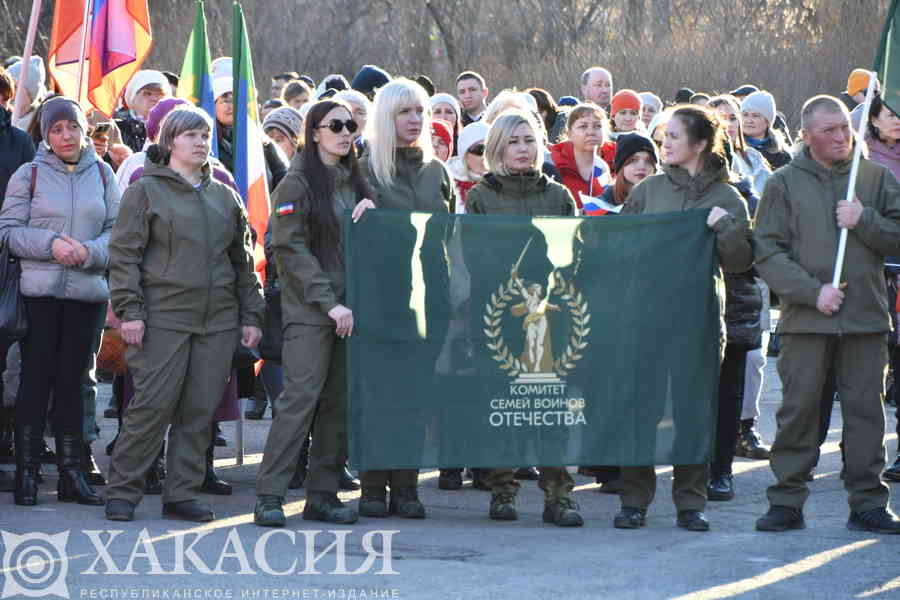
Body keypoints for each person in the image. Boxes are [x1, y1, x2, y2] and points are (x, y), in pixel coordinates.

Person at [104, 106, 264, 522]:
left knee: (199, 410)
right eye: (190, 135)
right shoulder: (145, 190)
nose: (200, 142)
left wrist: (252, 316)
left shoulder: (224, 195)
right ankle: (122, 491)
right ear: (170, 141)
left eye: (205, 136)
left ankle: (181, 493)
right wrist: (130, 312)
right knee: (151, 406)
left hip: (217, 320)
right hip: (162, 317)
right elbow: (124, 256)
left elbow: (243, 262)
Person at [753, 96, 900, 534]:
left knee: (865, 414)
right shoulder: (782, 183)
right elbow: (766, 251)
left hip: (864, 320)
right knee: (798, 412)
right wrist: (811, 292)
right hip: (806, 320)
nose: (841, 136)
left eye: (844, 128)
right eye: (829, 130)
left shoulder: (874, 177)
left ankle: (869, 503)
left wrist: (864, 220)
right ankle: (786, 501)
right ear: (806, 135)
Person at [618, 105, 753, 532]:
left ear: (699, 143)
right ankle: (634, 500)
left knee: (693, 412)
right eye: (664, 136)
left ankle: (691, 502)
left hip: (698, 321)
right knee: (641, 409)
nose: (665, 144)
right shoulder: (649, 191)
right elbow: (619, 246)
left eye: (673, 136)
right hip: (645, 317)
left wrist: (725, 228)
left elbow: (739, 263)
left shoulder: (728, 197)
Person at [253, 99, 375, 527]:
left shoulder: (355, 182)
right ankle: (270, 494)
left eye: (351, 125)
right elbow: (291, 250)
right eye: (335, 125)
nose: (345, 132)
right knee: (299, 401)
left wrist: (372, 220)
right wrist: (329, 303)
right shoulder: (297, 182)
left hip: (351, 309)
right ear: (315, 132)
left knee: (338, 403)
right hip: (311, 310)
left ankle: (322, 495)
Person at [0, 97, 120, 507]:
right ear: (45, 135)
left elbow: (117, 233)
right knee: (34, 383)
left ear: (84, 129)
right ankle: (28, 474)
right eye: (56, 129)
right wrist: (52, 246)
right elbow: (9, 232)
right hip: (39, 297)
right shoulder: (27, 175)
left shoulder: (104, 174)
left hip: (87, 296)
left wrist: (90, 253)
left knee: (74, 385)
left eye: (72, 127)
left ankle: (73, 474)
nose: (65, 136)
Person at [465, 110, 582, 526]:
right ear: (498, 148)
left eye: (529, 140)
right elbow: (473, 258)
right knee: (501, 407)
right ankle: (501, 491)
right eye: (513, 142)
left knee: (550, 409)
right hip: (499, 316)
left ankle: (559, 496)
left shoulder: (558, 195)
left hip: (548, 318)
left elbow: (572, 257)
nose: (522, 149)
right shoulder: (481, 195)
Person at [358, 78, 454, 518]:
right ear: (386, 117)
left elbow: (452, 235)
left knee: (415, 395)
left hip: (429, 296)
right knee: (380, 395)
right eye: (404, 112)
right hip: (380, 297)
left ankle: (407, 487)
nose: (415, 120)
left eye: (420, 111)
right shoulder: (364, 167)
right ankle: (373, 487)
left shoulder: (439, 171)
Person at [549, 103, 616, 209]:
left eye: (597, 126)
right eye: (583, 126)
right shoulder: (553, 163)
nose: (591, 132)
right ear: (569, 133)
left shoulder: (606, 166)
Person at [709, 95, 771, 196]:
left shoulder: (755, 160)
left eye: (733, 118)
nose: (728, 124)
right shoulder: (697, 162)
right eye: (721, 119)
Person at [115, 70, 170, 154]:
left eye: (160, 94)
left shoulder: (173, 128)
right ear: (133, 97)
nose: (154, 99)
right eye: (147, 94)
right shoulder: (117, 127)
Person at [599, 132, 657, 209]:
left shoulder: (663, 197)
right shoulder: (603, 203)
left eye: (648, 160)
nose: (642, 167)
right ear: (621, 166)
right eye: (633, 160)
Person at [741, 90, 792, 170]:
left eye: (755, 116)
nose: (749, 120)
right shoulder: (734, 147)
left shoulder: (782, 156)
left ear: (768, 121)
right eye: (745, 115)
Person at [446, 121, 488, 212]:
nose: (485, 156)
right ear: (464, 154)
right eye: (480, 150)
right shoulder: (446, 180)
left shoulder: (502, 181)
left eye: (490, 150)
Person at [6, 56, 46, 131]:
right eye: (8, 86)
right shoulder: (4, 120)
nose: (10, 91)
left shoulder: (41, 127)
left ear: (30, 93)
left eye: (15, 87)